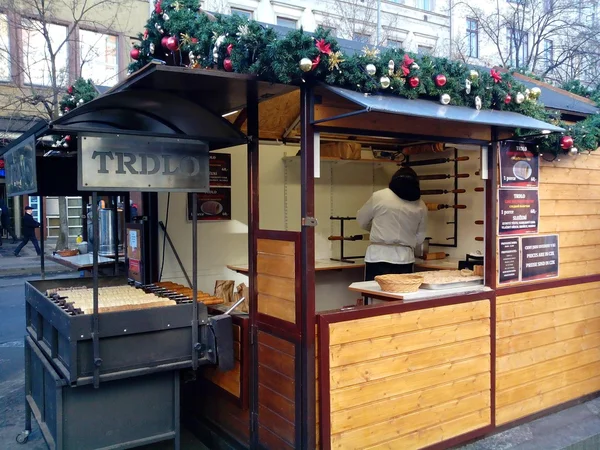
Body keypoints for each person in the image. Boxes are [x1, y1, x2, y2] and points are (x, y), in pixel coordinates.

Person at [357, 167, 428, 281]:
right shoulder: (421, 204)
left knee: (374, 294)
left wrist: (379, 229)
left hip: (378, 256)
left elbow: (362, 220)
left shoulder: (379, 196)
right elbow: (420, 237)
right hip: (405, 258)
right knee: (402, 295)